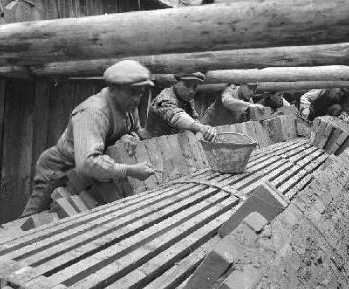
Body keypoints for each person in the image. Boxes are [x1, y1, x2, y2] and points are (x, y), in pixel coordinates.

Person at [21, 60, 156, 217]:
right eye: (132, 92)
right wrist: (130, 170)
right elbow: (88, 163)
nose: (137, 99)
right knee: (32, 221)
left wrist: (129, 136)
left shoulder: (129, 107)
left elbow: (136, 131)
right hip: (59, 170)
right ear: (113, 89)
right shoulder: (93, 112)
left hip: (88, 174)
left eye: (140, 93)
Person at [138, 72, 216, 141]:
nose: (191, 91)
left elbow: (193, 120)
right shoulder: (164, 98)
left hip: (168, 146)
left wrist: (205, 129)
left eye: (194, 87)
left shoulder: (187, 100)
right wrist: (201, 128)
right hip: (148, 146)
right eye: (187, 85)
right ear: (175, 83)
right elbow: (177, 117)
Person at [200, 82, 267, 127]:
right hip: (206, 126)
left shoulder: (249, 100)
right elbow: (226, 101)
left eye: (255, 89)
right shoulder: (229, 90)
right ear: (241, 84)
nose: (252, 92)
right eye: (250, 88)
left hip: (223, 131)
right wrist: (249, 105)